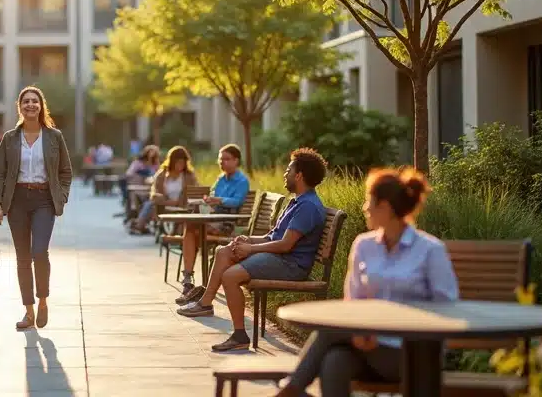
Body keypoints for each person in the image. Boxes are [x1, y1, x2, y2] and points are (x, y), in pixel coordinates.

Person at [276, 168, 459, 397]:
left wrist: (379, 328)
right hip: (366, 347)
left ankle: (291, 389)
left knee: (328, 332)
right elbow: (352, 302)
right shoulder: (364, 246)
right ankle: (291, 389)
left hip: (413, 352)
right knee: (335, 361)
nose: (365, 208)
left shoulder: (430, 250)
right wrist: (360, 333)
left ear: (386, 207)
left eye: (369, 201)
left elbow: (447, 308)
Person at [177, 148, 329, 353]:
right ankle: (205, 303)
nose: (285, 174)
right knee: (224, 251)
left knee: (230, 277)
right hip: (279, 256)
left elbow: (285, 245)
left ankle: (240, 335)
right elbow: (273, 237)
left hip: (290, 265)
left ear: (299, 175)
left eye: (288, 170)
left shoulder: (308, 206)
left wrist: (251, 249)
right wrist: (248, 240)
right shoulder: (297, 201)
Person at [0, 86, 72, 330]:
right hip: (17, 201)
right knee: (23, 258)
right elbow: (0, 173)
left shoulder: (54, 136)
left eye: (34, 101)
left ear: (41, 105)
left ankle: (43, 301)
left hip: (44, 200)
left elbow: (66, 172)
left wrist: (62, 196)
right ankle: (28, 312)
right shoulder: (10, 138)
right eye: (25, 101)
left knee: (39, 252)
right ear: (20, 106)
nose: (30, 105)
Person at [177, 144, 250, 293]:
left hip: (227, 223)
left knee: (191, 233)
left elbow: (238, 201)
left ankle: (190, 278)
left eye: (227, 159)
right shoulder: (221, 179)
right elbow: (212, 196)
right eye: (220, 159)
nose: (222, 162)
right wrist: (208, 200)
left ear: (236, 160)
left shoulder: (242, 181)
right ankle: (188, 277)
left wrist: (219, 200)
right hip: (213, 219)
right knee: (190, 228)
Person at [129, 145, 197, 235]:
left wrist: (179, 202)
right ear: (172, 162)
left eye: (183, 163)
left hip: (183, 206)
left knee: (149, 205)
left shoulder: (189, 176)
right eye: (178, 162)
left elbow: (194, 191)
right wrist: (167, 202)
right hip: (164, 207)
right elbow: (154, 194)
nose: (181, 165)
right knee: (150, 203)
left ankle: (139, 223)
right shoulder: (162, 175)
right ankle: (140, 224)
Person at [122, 145, 159, 223]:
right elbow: (129, 174)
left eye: (154, 153)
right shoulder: (138, 163)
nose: (152, 154)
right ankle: (136, 215)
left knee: (152, 200)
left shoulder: (155, 165)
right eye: (150, 152)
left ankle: (144, 220)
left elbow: (158, 175)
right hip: (138, 187)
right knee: (141, 198)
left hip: (151, 187)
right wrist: (140, 174)